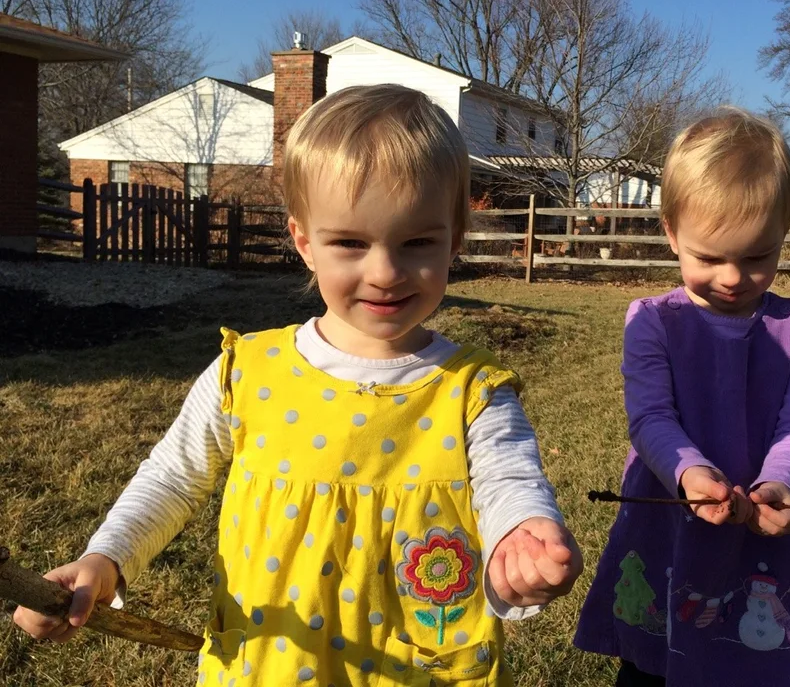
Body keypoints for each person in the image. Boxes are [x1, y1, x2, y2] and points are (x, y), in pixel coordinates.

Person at [14, 84, 583, 685]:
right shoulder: (248, 372)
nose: (385, 272)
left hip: (417, 666)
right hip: (273, 661)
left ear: (456, 239)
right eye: (350, 243)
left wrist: (521, 534)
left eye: (417, 242)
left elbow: (509, 480)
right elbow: (173, 477)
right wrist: (106, 558)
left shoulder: (474, 390)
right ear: (305, 243)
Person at [574, 109, 790, 686]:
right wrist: (689, 473)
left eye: (756, 257)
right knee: (654, 659)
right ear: (671, 232)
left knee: (761, 644)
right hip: (672, 518)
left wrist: (782, 485)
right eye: (709, 257)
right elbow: (650, 417)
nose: (732, 277)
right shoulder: (652, 322)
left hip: (761, 526)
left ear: (784, 234)